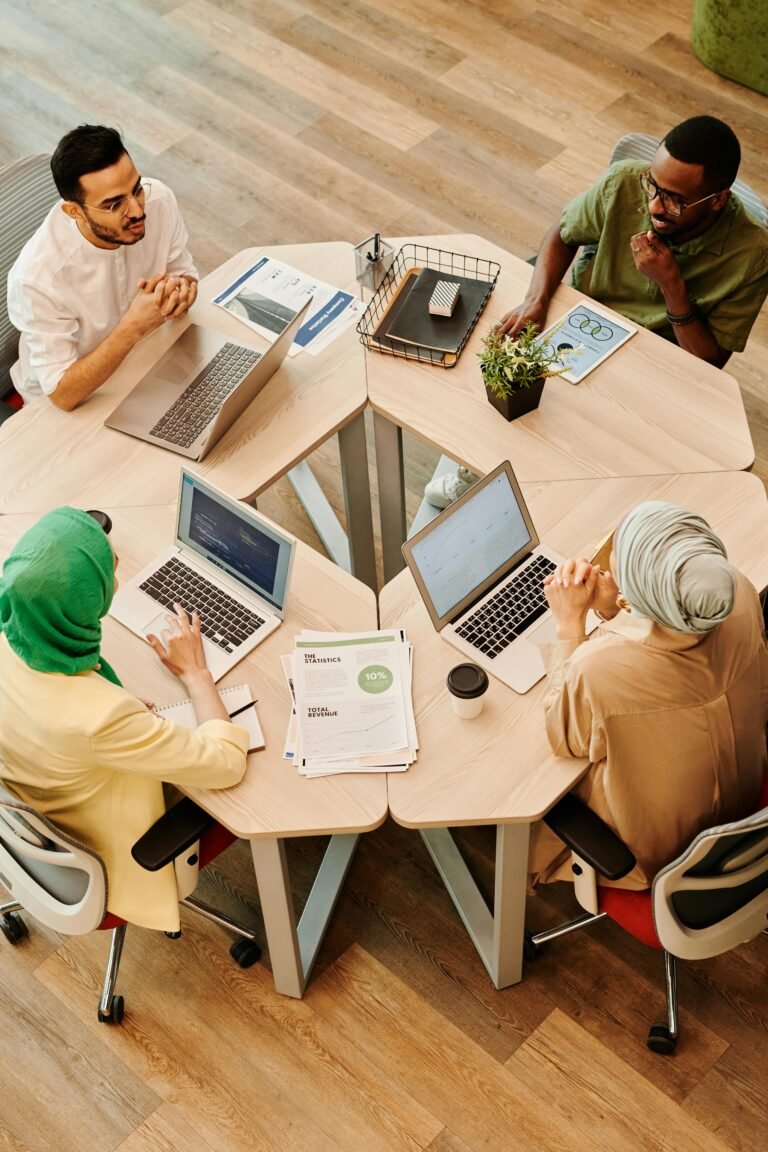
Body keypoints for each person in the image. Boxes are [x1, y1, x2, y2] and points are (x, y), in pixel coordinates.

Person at [0, 507, 247, 932]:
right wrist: (195, 673)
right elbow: (226, 762)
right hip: (118, 848)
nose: (117, 574)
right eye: (109, 569)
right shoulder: (100, 718)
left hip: (42, 805)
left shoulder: (14, 636)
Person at [529, 500, 768, 889]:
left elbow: (564, 736)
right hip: (747, 801)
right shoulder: (736, 592)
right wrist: (617, 606)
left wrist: (569, 624)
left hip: (661, 854)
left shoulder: (599, 669)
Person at [499, 115, 768, 369]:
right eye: (652, 184)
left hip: (658, 360)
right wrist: (536, 299)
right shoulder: (623, 182)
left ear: (717, 200)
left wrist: (671, 285)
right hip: (584, 320)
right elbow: (563, 233)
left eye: (675, 200)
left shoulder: (754, 255)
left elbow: (710, 363)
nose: (654, 206)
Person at [7, 124, 199, 411]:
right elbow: (62, 394)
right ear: (74, 211)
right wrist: (133, 326)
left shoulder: (157, 200)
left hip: (146, 358)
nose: (136, 210)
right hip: (73, 398)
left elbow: (184, 273)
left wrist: (181, 290)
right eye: (113, 205)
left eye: (136, 189)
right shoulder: (38, 278)